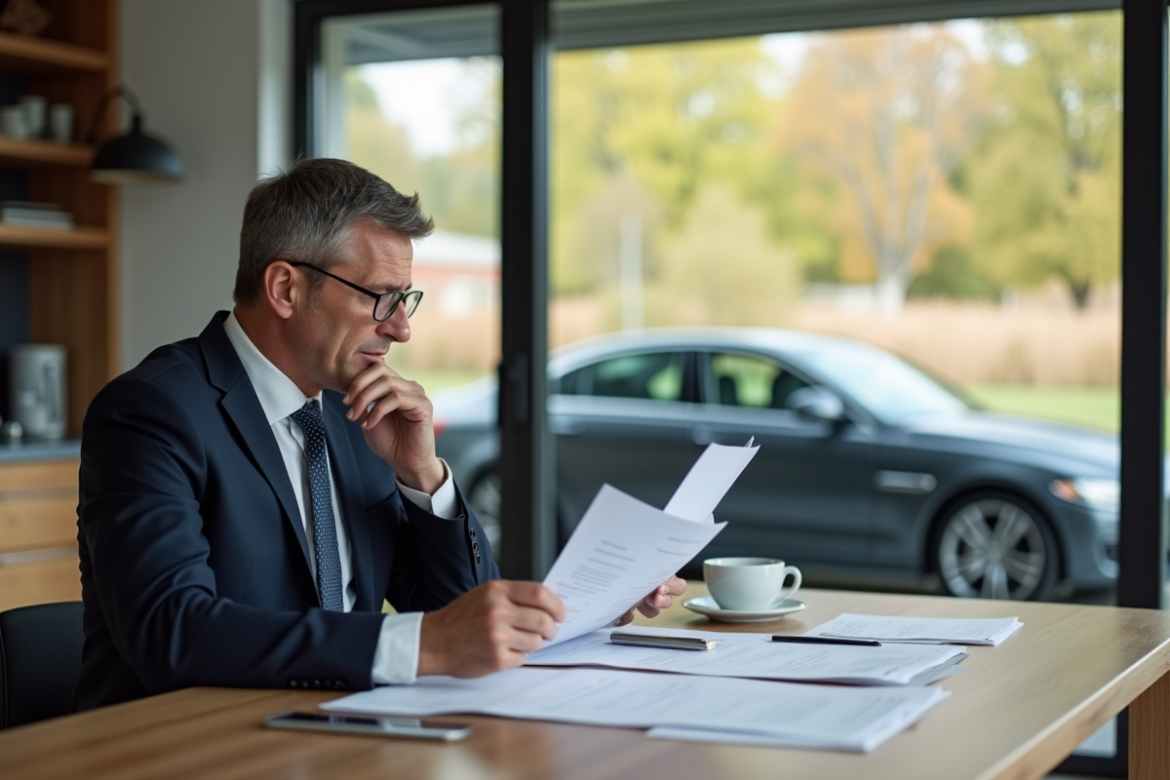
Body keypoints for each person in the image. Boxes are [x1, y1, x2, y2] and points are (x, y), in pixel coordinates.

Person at [72, 158, 685, 712]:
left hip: (335, 738)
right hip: (179, 746)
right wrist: (425, 643)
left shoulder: (351, 413)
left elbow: (455, 616)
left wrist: (424, 479)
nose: (401, 330)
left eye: (404, 300)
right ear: (286, 288)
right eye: (380, 298)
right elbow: (169, 630)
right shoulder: (152, 412)